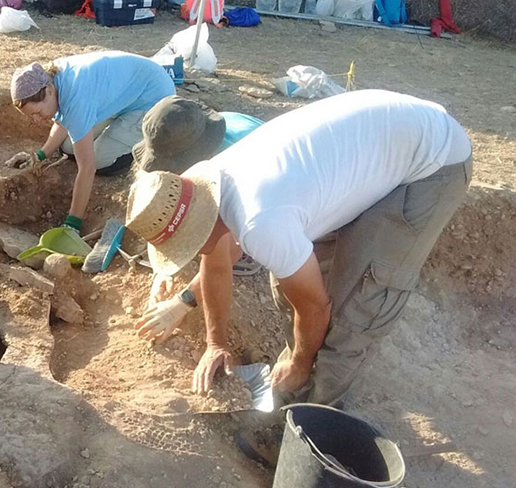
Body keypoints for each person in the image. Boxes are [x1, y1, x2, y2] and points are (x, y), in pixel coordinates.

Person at [127, 90, 471, 433]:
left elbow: (315, 307)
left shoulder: (260, 223)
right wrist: (215, 344)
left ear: (200, 225)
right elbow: (216, 266)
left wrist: (301, 361)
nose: (193, 253)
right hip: (378, 146)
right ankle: (294, 386)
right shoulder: (207, 187)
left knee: (356, 310)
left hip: (431, 161)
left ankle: (311, 426)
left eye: (189, 246)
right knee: (286, 285)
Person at [8, 51, 175, 233]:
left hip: (153, 99)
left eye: (38, 113)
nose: (38, 120)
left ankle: (142, 146)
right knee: (67, 148)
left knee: (99, 160)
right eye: (32, 117)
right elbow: (64, 121)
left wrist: (73, 223)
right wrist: (39, 156)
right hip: (124, 94)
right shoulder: (51, 78)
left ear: (49, 91)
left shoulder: (76, 97)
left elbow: (88, 168)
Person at [129, 95, 265, 288]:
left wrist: (182, 301)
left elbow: (221, 262)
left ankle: (252, 251)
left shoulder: (228, 171)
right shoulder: (193, 128)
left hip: (281, 187)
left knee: (223, 235)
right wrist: (162, 269)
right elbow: (160, 204)